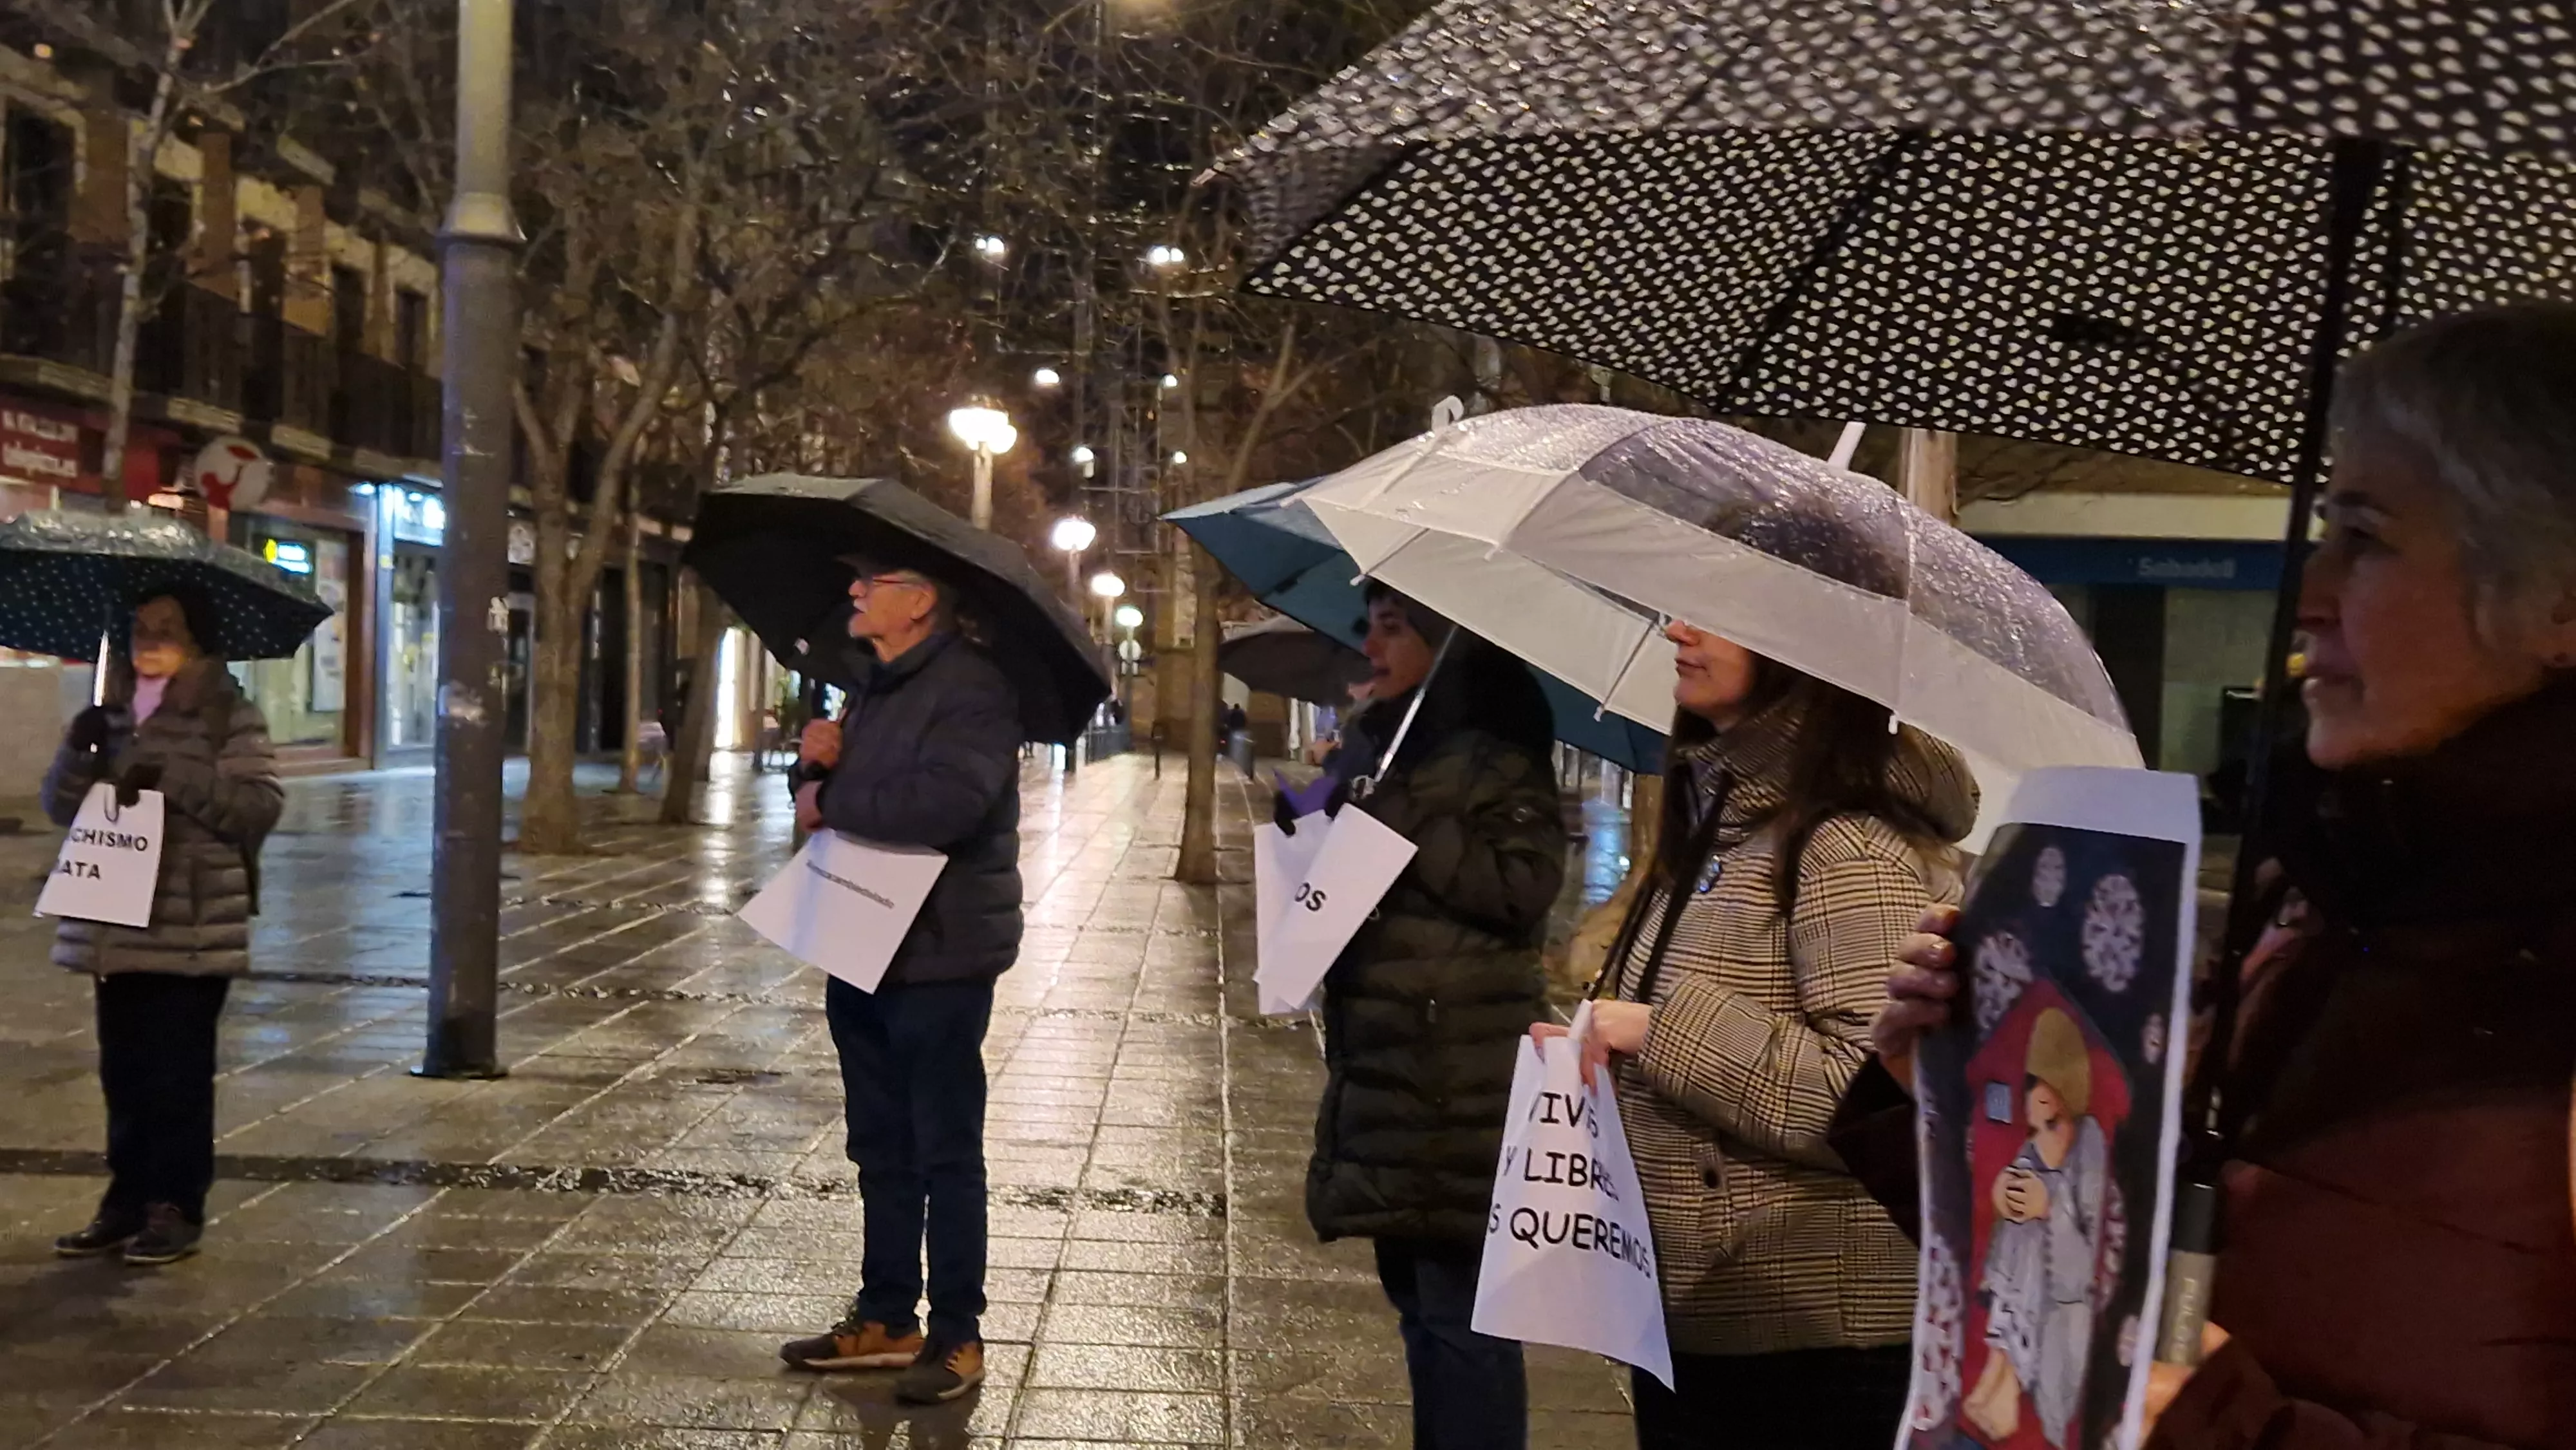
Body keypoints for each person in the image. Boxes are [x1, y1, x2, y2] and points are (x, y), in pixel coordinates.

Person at [1858, 303, 2576, 1449]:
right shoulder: (2316, 895)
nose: (2309, 595)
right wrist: (1961, 1099)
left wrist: (2228, 1430)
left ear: (2560, 600)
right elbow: (2112, 1259)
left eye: (2370, 537)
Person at [1536, 618, 1975, 1450]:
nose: (1678, 627)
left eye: (1723, 615)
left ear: (1801, 642)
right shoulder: (1729, 822)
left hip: (1812, 1340)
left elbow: (1877, 1100)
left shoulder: (1849, 846)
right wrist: (1593, 1040)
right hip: (1718, 1316)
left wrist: (1661, 1031)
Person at [1300, 584, 1566, 1450]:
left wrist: (1397, 811)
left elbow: (1521, 887)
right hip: (1390, 1066)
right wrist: (1314, 811)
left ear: (1445, 642)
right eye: (1368, 626)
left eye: (1392, 627)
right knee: (1420, 1308)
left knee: (1463, 1319)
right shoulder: (1385, 749)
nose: (1371, 645)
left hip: (1461, 1075)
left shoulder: (1498, 755)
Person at [777, 558, 1022, 1406]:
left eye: (872, 580)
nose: (853, 591)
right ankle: (887, 1314)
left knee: (944, 1148)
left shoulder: (973, 691)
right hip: (863, 935)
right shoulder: (872, 685)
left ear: (917, 602)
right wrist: (811, 768)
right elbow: (834, 796)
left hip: (940, 952)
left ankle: (958, 1331)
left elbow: (945, 807)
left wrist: (828, 799)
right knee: (879, 1143)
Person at [48, 593, 282, 1267]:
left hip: (191, 925)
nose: (150, 640)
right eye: (140, 629)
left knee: (176, 1073)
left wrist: (174, 775)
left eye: (167, 630)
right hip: (116, 920)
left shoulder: (227, 714)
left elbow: (257, 806)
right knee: (124, 1072)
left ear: (197, 643)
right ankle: (125, 1200)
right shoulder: (109, 715)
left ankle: (176, 1204)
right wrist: (77, 749)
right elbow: (61, 806)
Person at [1965, 1008, 2108, 1448]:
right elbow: (2009, 1183)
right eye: (2036, 1125)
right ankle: (1997, 1374)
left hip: (2065, 1293)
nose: (2043, 1136)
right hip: (2025, 1270)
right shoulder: (2034, 1148)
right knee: (2018, 1233)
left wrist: (2050, 1210)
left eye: (2054, 1122)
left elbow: (2090, 1251)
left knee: (2031, 1239)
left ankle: (2006, 1382)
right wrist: (2006, 1193)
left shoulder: (2091, 1146)